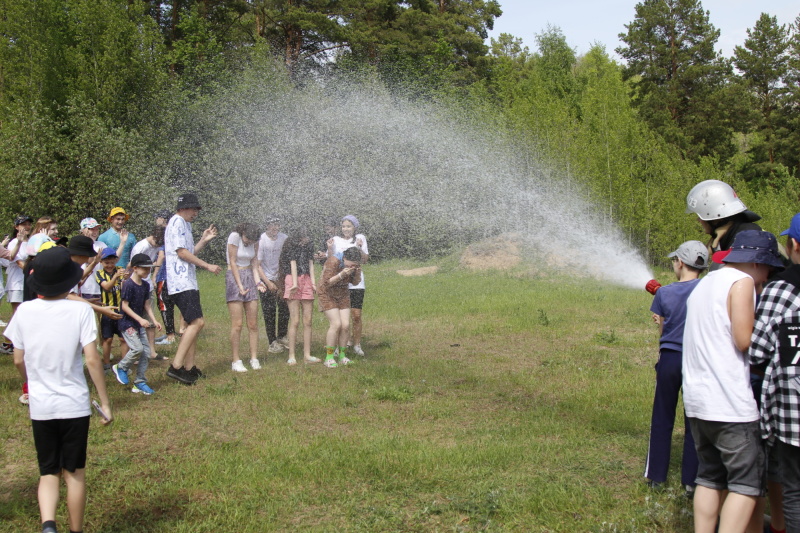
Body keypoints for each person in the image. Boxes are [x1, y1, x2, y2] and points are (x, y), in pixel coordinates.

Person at [5, 246, 113, 533]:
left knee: (48, 472)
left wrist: (30, 384)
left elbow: (17, 358)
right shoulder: (79, 310)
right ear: (69, 280)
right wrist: (105, 402)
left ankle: (48, 525)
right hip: (74, 405)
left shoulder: (25, 311)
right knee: (75, 474)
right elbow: (92, 359)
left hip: (42, 406)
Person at [683, 230, 784, 533]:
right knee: (746, 483)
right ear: (755, 262)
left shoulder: (705, 283)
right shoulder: (740, 282)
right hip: (729, 404)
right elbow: (743, 340)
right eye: (766, 267)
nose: (766, 276)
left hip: (698, 402)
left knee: (710, 477)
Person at [749, 213, 800, 533]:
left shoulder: (782, 289)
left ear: (794, 244)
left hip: (794, 412)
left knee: (794, 488)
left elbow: (757, 351)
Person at [644, 241, 707, 493]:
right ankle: (691, 482)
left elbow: (663, 331)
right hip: (698, 359)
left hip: (671, 357)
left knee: (662, 416)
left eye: (674, 261)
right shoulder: (708, 289)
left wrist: (662, 321)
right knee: (694, 419)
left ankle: (656, 477)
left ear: (680, 262)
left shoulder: (664, 293)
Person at [164, 193, 221, 385]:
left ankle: (189, 369)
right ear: (182, 208)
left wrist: (204, 240)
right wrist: (207, 266)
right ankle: (176, 367)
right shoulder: (177, 222)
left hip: (187, 280)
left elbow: (188, 252)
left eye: (197, 209)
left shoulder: (185, 225)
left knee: (191, 325)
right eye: (193, 209)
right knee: (197, 323)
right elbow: (182, 253)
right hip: (181, 282)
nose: (196, 212)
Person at [685, 180, 762, 271]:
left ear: (715, 218)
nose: (699, 220)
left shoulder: (747, 239)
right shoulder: (737, 234)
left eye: (701, 217)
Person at [112, 254, 161, 395]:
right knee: (137, 349)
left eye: (149, 269)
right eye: (145, 269)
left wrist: (154, 320)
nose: (147, 271)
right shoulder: (128, 284)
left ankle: (139, 382)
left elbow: (147, 305)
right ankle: (121, 367)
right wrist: (140, 320)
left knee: (146, 353)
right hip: (127, 323)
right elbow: (125, 306)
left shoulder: (146, 285)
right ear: (135, 268)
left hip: (139, 324)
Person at [226, 222, 265, 372]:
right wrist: (240, 286)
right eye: (247, 239)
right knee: (238, 324)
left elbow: (255, 264)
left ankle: (254, 358)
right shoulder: (234, 237)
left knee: (253, 323)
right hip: (234, 277)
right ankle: (236, 360)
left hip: (249, 275)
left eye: (252, 240)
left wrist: (258, 282)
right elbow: (233, 262)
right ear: (243, 233)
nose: (249, 242)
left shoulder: (256, 241)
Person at [279, 226, 321, 366]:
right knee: (295, 321)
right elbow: (293, 265)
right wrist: (295, 284)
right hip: (292, 280)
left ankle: (307, 355)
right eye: (305, 237)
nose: (307, 239)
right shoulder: (291, 247)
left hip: (307, 280)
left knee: (308, 321)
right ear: (299, 238)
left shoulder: (308, 246)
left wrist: (314, 283)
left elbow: (311, 264)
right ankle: (291, 355)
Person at [329, 215, 369, 356]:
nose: (346, 229)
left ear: (354, 227)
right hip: (341, 283)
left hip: (357, 282)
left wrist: (359, 248)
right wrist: (328, 249)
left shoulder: (361, 238)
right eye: (344, 226)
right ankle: (337, 345)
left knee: (356, 315)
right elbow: (331, 260)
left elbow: (365, 260)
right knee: (339, 317)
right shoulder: (336, 240)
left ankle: (357, 344)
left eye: (349, 226)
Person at [318, 247, 362, 368]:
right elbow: (326, 283)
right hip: (327, 294)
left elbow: (355, 283)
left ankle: (342, 356)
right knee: (336, 324)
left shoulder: (355, 266)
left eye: (355, 265)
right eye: (351, 264)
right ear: (345, 258)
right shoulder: (333, 261)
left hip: (343, 294)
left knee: (346, 325)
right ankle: (329, 358)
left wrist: (357, 272)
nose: (353, 266)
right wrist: (341, 274)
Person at [130, 226, 166, 360]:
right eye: (159, 243)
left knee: (150, 320)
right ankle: (134, 352)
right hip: (136, 287)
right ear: (154, 236)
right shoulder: (141, 247)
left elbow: (157, 260)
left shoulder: (156, 246)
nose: (159, 246)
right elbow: (132, 267)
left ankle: (152, 351)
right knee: (135, 320)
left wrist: (153, 275)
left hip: (148, 287)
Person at [257, 215, 289, 354]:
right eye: (272, 225)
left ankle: (282, 336)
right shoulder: (261, 240)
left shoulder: (284, 238)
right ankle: (272, 342)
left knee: (284, 309)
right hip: (266, 279)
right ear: (266, 226)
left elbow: (287, 259)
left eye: (277, 224)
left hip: (281, 279)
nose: (275, 227)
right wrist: (268, 282)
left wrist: (282, 280)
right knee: (269, 311)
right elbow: (257, 265)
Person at [95, 248, 127, 372]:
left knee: (123, 338)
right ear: (101, 263)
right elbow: (107, 287)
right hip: (106, 310)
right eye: (106, 263)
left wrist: (125, 277)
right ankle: (107, 364)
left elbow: (125, 285)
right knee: (107, 339)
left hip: (120, 310)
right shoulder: (99, 274)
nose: (109, 265)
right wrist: (115, 277)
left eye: (112, 262)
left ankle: (124, 364)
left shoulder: (120, 270)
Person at [76, 218, 106, 303]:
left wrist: (122, 243)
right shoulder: (79, 244)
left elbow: (112, 259)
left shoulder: (101, 244)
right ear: (83, 230)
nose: (95, 232)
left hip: (98, 288)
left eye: (96, 229)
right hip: (83, 288)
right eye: (91, 229)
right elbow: (89, 260)